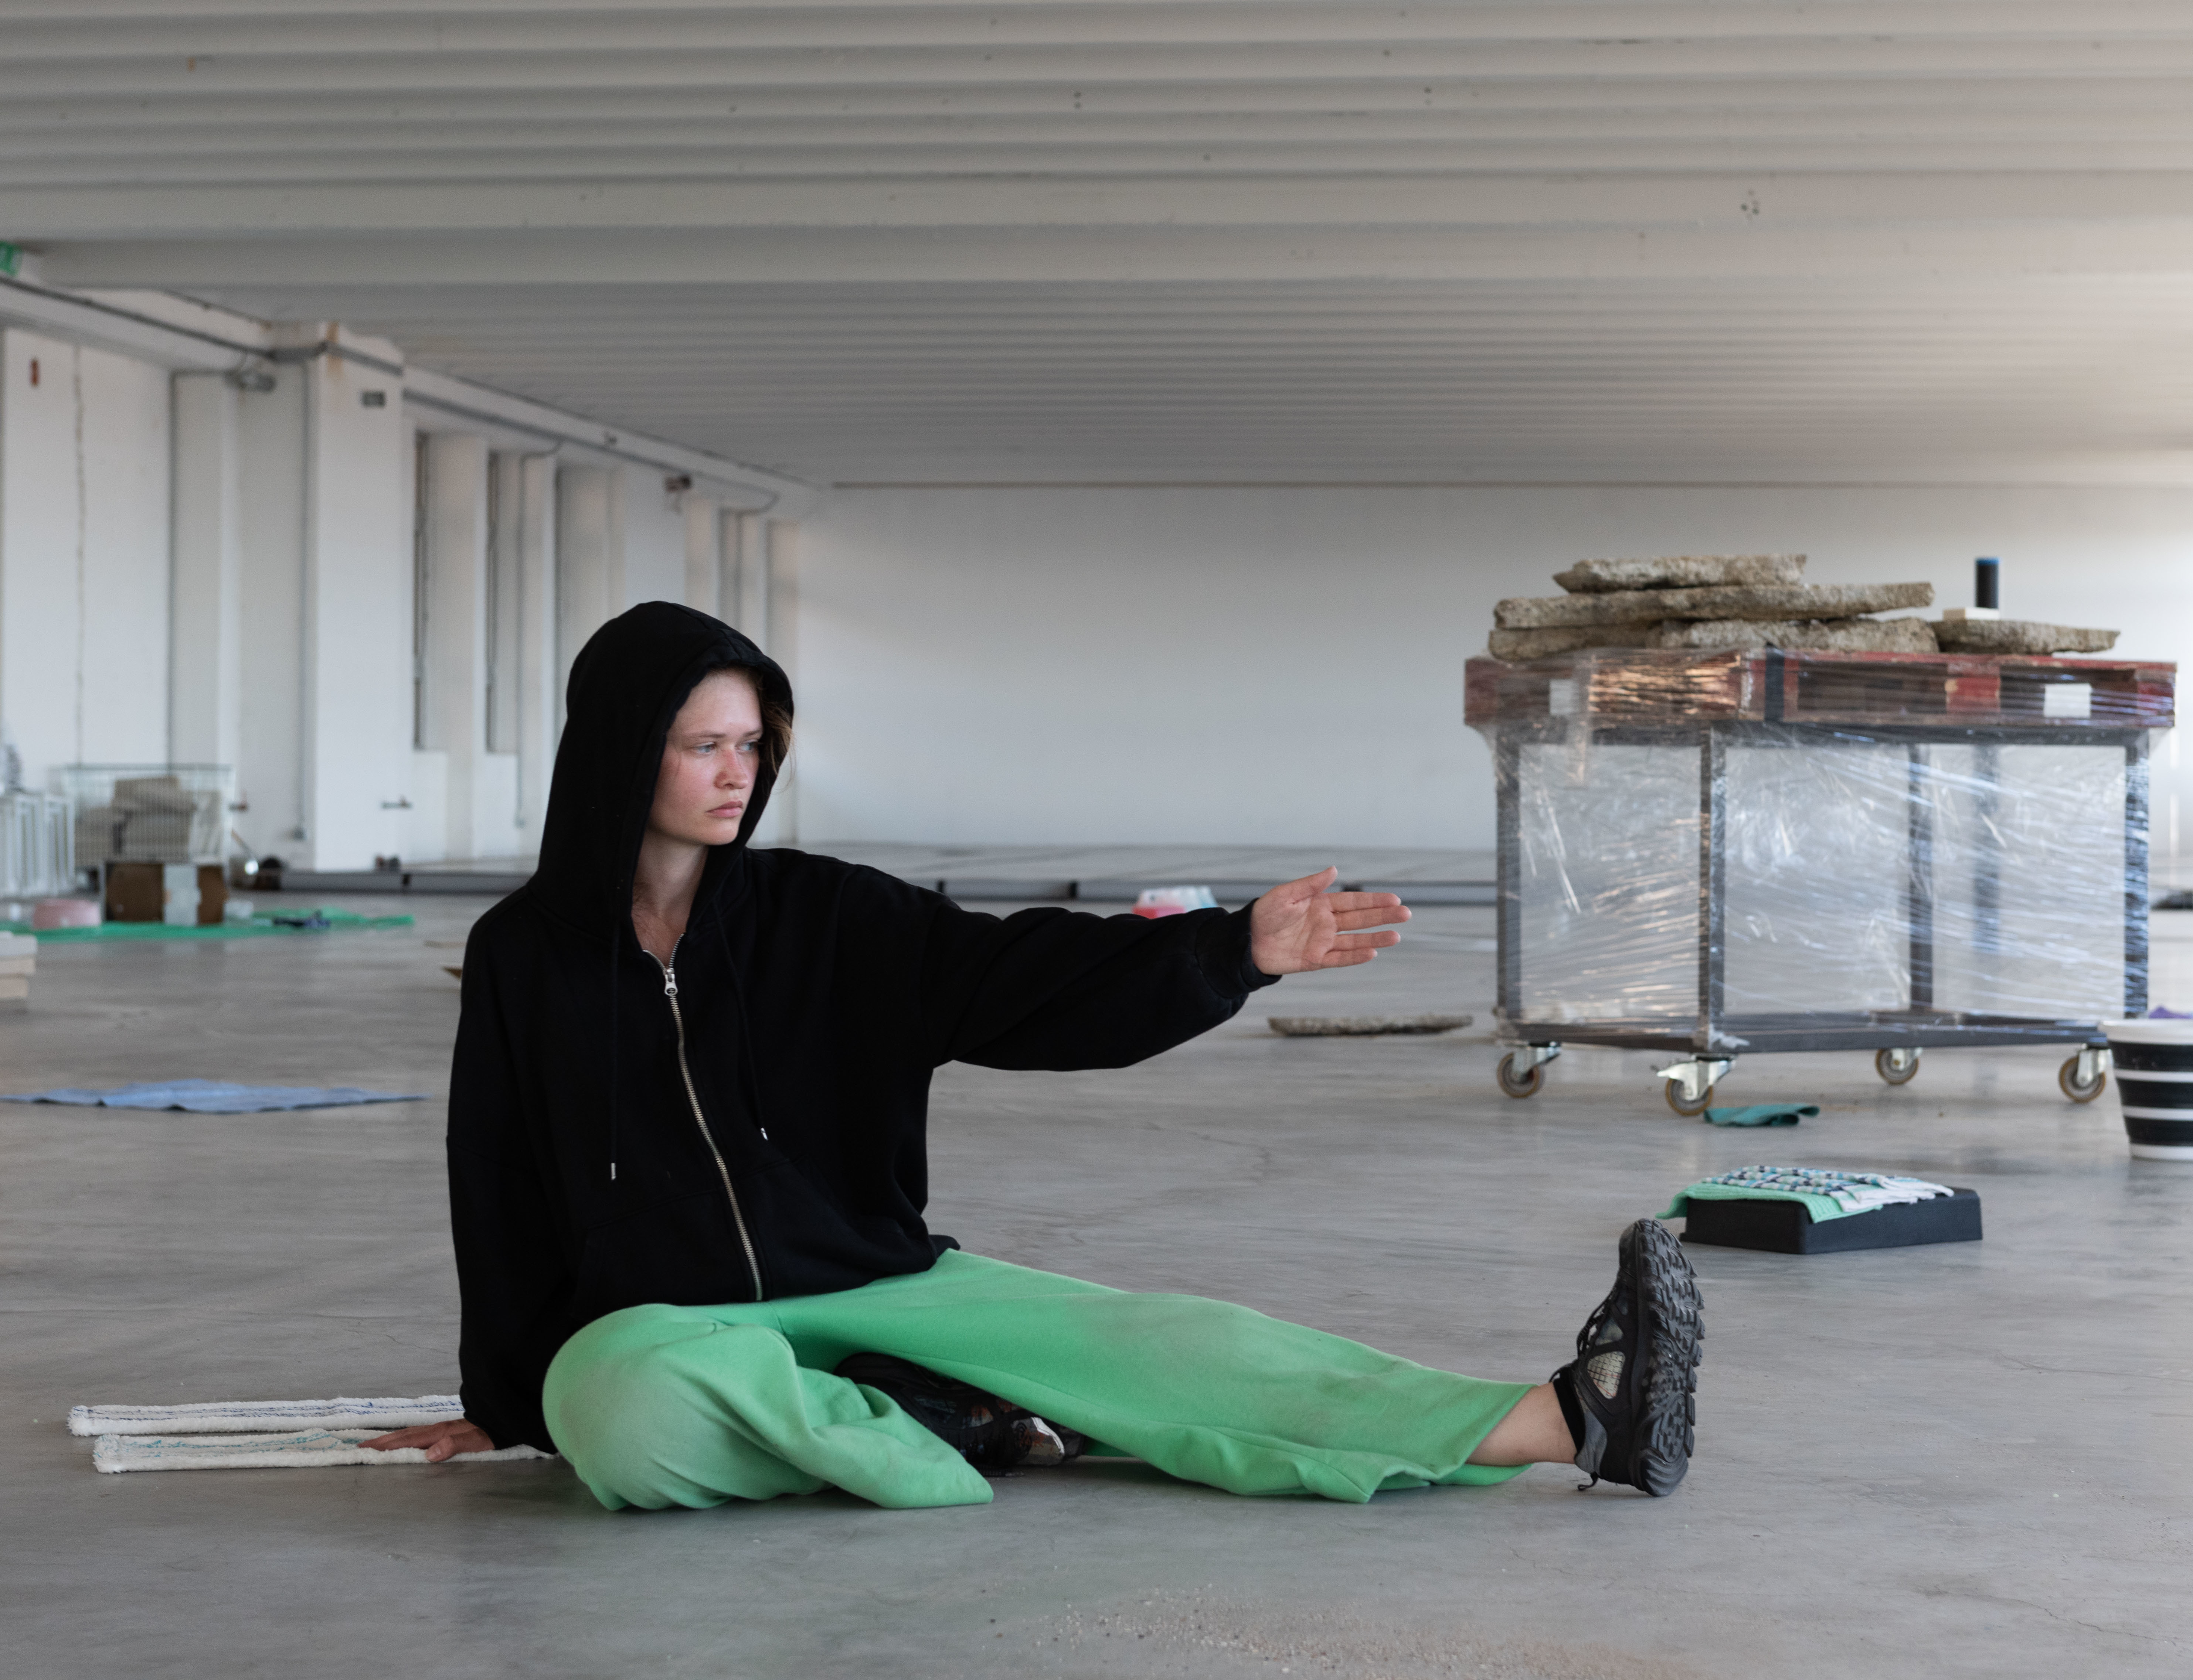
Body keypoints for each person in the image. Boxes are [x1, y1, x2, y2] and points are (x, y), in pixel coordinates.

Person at [367, 602, 1701, 1509]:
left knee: (1166, 1349)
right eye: (703, 744)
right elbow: (500, 1182)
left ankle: (1568, 1415)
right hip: (671, 1329)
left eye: (752, 744)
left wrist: (1230, 952)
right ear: (622, 751)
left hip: (880, 1288)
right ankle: (945, 1427)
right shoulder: (524, 955)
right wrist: (507, 1397)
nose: (736, 772)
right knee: (612, 1408)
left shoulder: (823, 916)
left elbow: (1023, 975)